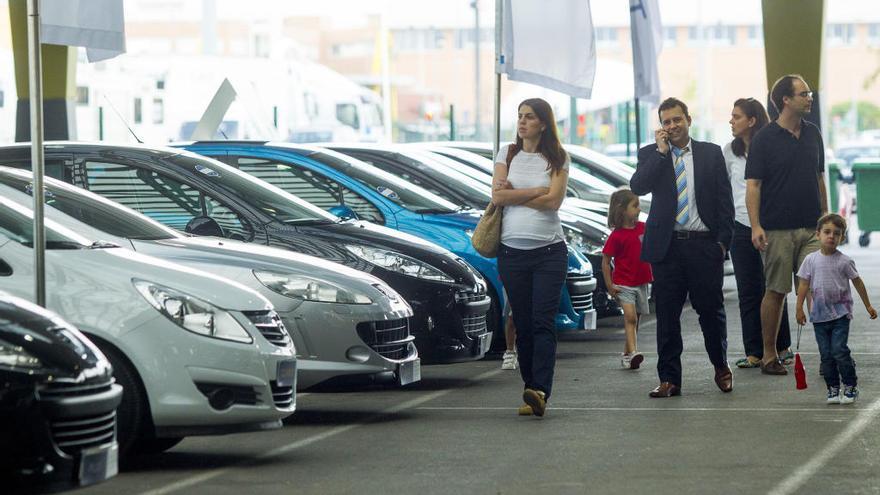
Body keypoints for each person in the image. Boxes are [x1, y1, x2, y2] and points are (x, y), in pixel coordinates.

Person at [630, 97, 735, 398]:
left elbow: (724, 203)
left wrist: (721, 244)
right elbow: (638, 186)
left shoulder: (710, 154)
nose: (672, 126)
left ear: (688, 119)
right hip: (668, 249)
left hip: (704, 247)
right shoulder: (652, 154)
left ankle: (721, 366)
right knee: (666, 316)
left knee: (710, 313)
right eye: (666, 122)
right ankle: (669, 380)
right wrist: (662, 154)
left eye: (677, 120)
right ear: (661, 127)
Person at [745, 74, 828, 376]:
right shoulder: (764, 139)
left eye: (809, 93)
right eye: (804, 93)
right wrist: (756, 226)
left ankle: (827, 353)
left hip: (812, 229)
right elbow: (753, 185)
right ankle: (769, 355)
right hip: (777, 229)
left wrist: (827, 219)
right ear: (786, 100)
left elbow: (819, 178)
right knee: (776, 291)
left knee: (817, 290)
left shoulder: (813, 133)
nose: (809, 98)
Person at [492, 98, 570, 417]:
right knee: (521, 323)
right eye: (520, 116)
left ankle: (540, 389)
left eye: (530, 117)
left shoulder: (558, 157)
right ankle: (530, 389)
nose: (523, 122)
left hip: (550, 251)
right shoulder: (507, 153)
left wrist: (517, 195)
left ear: (543, 123)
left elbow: (555, 203)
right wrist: (537, 191)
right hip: (511, 252)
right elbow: (497, 196)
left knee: (542, 321)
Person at [723, 98, 794, 369]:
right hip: (740, 227)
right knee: (748, 291)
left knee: (774, 288)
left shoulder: (772, 146)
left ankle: (781, 347)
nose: (731, 121)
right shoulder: (728, 151)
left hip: (772, 225)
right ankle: (754, 351)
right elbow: (724, 189)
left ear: (752, 120)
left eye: (737, 116)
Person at [795, 213, 877, 404]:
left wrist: (868, 305)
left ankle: (850, 385)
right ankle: (832, 387)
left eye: (837, 233)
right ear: (818, 234)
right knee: (826, 355)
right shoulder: (810, 260)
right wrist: (799, 308)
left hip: (841, 314)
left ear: (842, 237)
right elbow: (803, 286)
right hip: (819, 316)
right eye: (827, 232)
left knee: (839, 349)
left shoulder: (844, 261)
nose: (831, 236)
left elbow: (857, 283)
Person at [601, 188, 652, 370]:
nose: (639, 209)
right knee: (630, 317)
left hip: (642, 282)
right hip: (624, 284)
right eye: (635, 206)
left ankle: (627, 354)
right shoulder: (616, 236)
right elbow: (606, 261)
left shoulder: (642, 228)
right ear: (622, 210)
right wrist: (609, 285)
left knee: (635, 320)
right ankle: (633, 353)